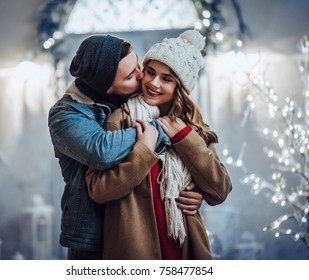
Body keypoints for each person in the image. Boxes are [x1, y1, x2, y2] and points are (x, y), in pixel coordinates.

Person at [48, 34, 204, 260]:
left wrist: (193, 190)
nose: (142, 76)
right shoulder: (65, 115)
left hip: (139, 226)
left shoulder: (135, 100)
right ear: (108, 89)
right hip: (95, 236)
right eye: (131, 75)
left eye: (138, 64)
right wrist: (160, 130)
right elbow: (101, 150)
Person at [86, 30, 232, 259]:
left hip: (184, 247)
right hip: (133, 249)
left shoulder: (191, 127)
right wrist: (143, 151)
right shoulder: (120, 119)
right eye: (150, 72)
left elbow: (220, 190)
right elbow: (98, 190)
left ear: (180, 87)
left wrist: (184, 138)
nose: (153, 83)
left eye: (167, 78)